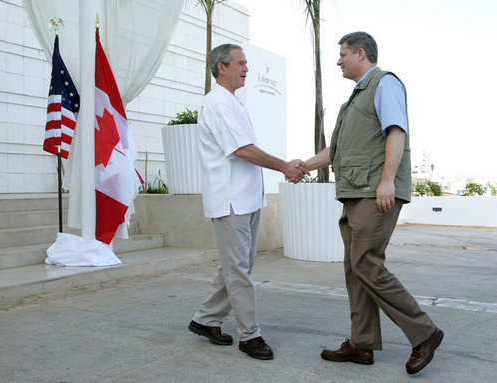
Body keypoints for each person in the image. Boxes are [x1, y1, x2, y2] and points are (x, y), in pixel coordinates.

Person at [303, 32, 443, 375]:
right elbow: (335, 151)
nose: (338, 61)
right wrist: (304, 166)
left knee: (366, 263)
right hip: (354, 192)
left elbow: (397, 132)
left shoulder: (385, 84)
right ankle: (361, 344)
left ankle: (424, 332)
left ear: (360, 53)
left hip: (373, 192)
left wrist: (386, 182)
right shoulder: (353, 100)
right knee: (355, 268)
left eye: (342, 54)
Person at [188, 43, 308, 360]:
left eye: (246, 63)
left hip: (245, 199)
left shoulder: (232, 102)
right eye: (240, 63)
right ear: (221, 67)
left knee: (237, 267)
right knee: (239, 270)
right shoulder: (216, 103)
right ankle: (249, 335)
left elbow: (244, 149)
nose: (245, 68)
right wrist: (285, 166)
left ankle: (205, 319)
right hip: (230, 201)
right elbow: (242, 149)